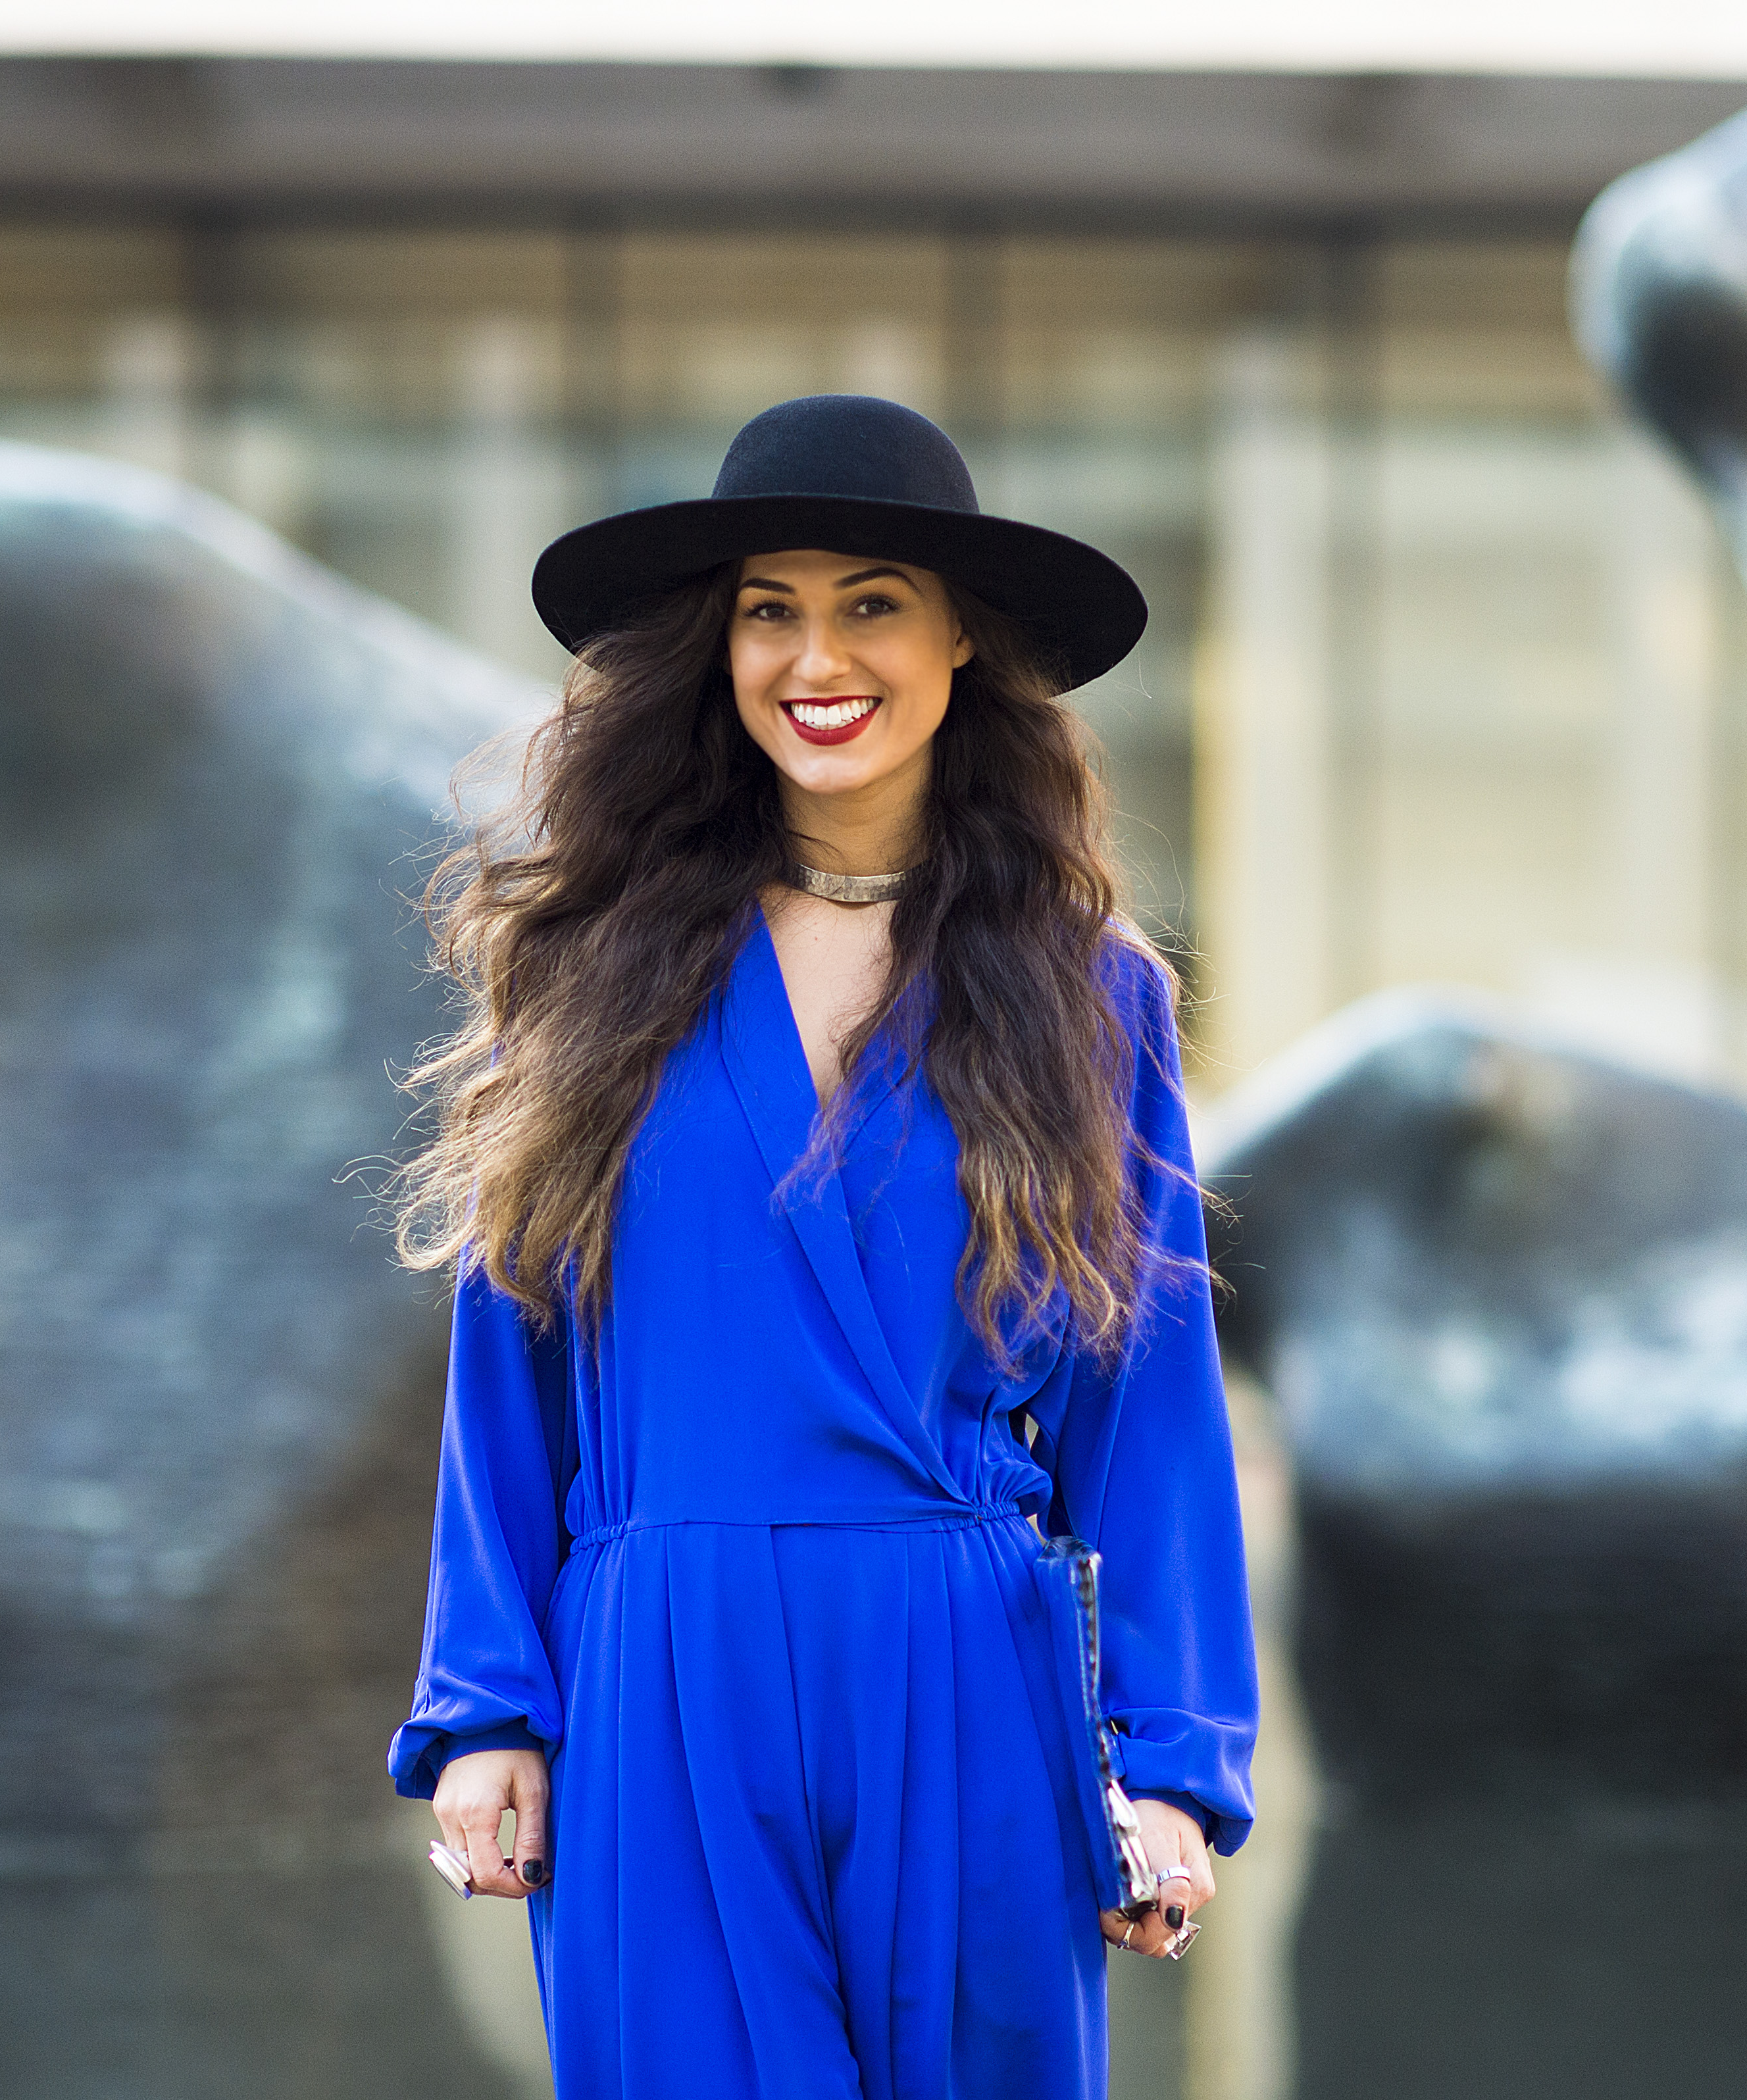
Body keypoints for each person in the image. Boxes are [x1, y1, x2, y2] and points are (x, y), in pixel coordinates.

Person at [384, 394, 1258, 2100]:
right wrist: (490, 1702)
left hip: (968, 1659)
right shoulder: (591, 969)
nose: (815, 654)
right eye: (768, 609)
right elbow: (514, 1359)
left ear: (961, 649)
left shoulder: (1094, 994)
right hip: (663, 1664)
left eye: (871, 602)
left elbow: (1143, 1398)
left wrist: (1169, 1760)